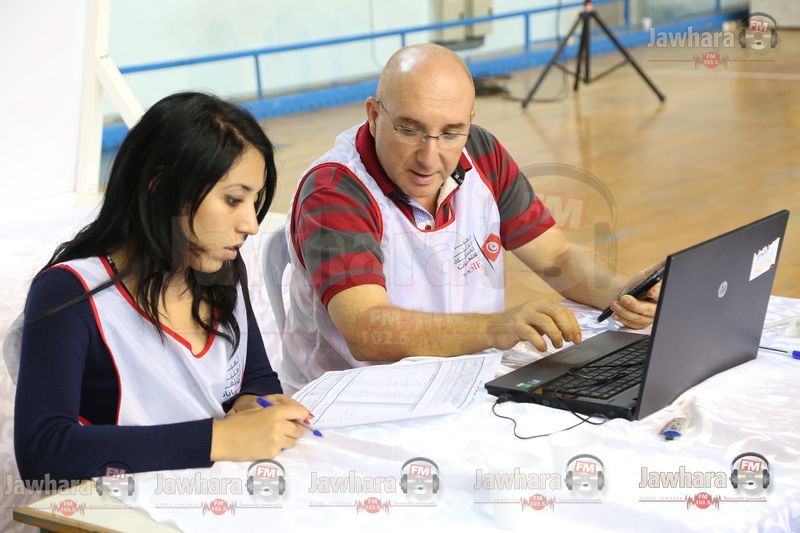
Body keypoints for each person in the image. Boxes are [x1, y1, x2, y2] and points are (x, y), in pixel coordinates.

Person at [280, 44, 661, 392]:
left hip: (464, 377)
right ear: (374, 115)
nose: (428, 158)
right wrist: (495, 327)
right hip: (355, 398)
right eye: (410, 130)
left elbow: (556, 256)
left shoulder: (480, 150)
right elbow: (365, 329)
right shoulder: (334, 190)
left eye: (450, 133)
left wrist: (622, 292)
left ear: (469, 122)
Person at [14, 92, 311, 485]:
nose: (250, 225)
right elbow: (43, 452)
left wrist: (254, 406)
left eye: (253, 201)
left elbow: (255, 377)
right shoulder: (70, 292)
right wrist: (220, 438)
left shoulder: (220, 269)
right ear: (161, 184)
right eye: (233, 200)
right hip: (109, 508)